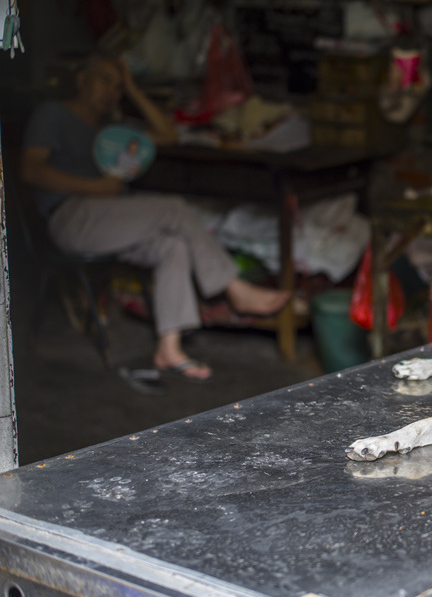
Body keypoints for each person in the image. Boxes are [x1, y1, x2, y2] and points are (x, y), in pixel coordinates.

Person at [20, 51, 290, 382]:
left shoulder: (111, 130)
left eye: (118, 87)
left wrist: (132, 88)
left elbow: (168, 134)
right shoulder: (53, 114)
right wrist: (94, 186)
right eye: (105, 81)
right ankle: (234, 288)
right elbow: (30, 170)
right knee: (172, 208)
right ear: (81, 80)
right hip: (69, 218)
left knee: (171, 245)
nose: (111, 92)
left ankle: (169, 347)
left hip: (109, 220)